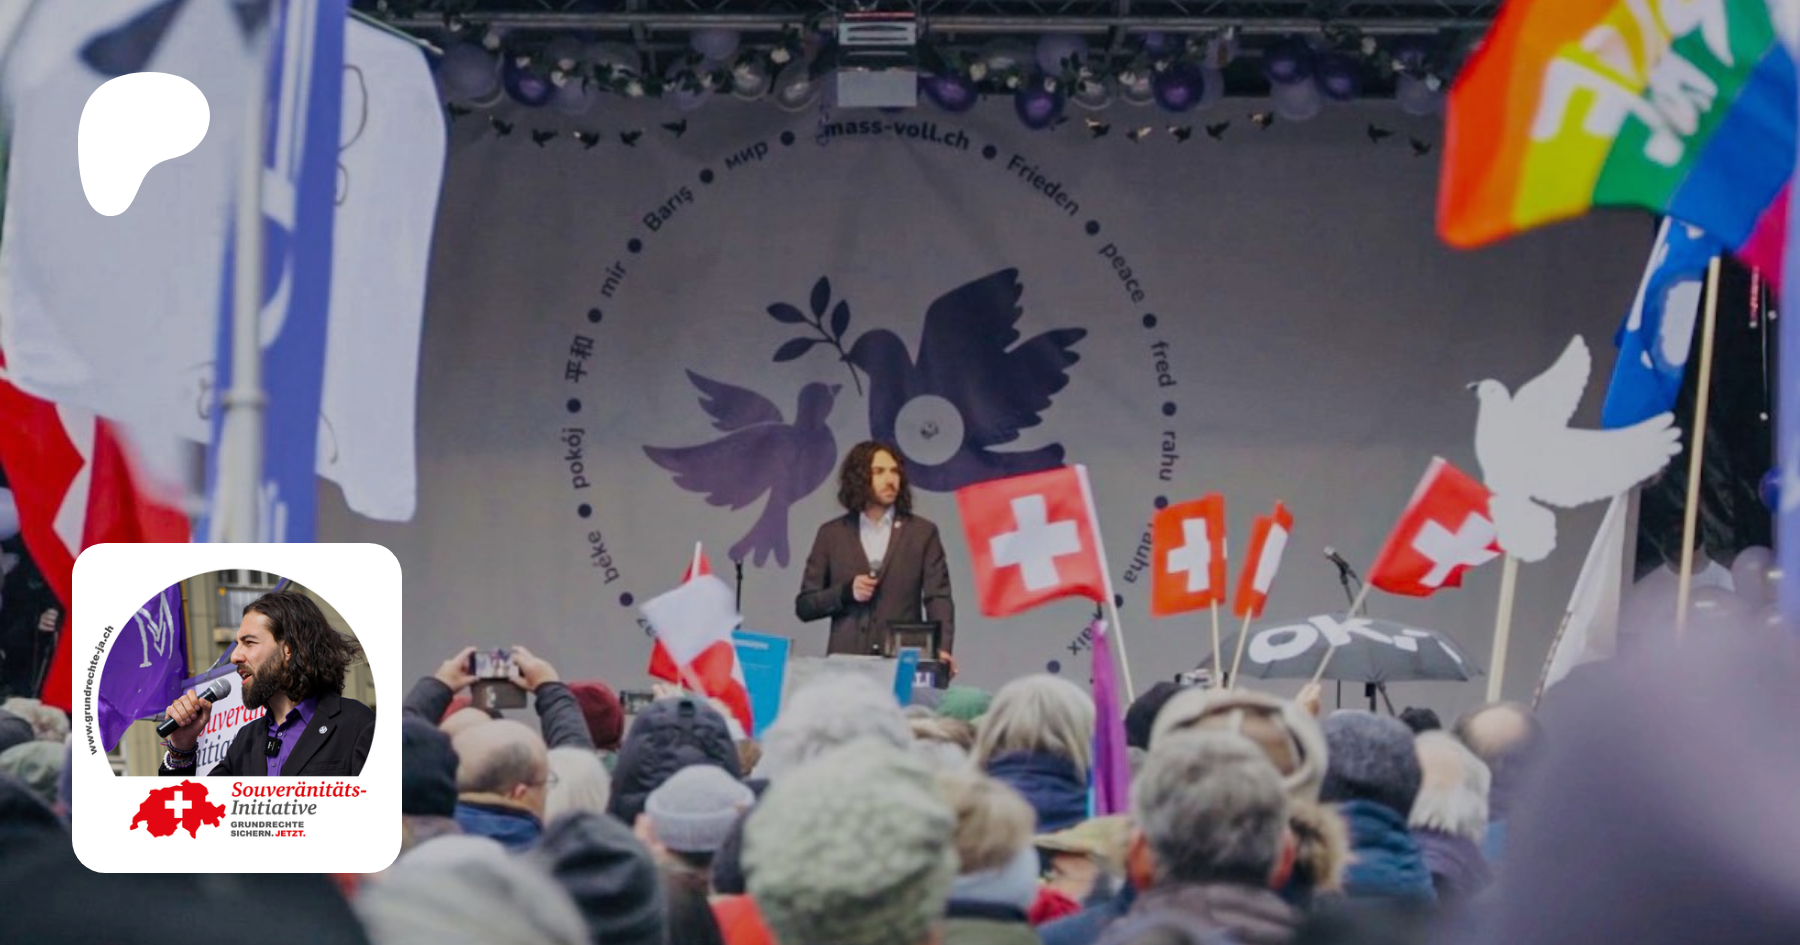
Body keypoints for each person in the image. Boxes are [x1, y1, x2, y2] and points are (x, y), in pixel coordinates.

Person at [159, 590, 374, 776]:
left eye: (249, 642)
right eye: (237, 644)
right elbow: (194, 808)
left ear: (288, 649)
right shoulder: (246, 741)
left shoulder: (358, 725)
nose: (234, 657)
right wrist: (181, 748)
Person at [796, 441, 955, 667]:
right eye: (879, 471)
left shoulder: (922, 532)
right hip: (846, 665)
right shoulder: (831, 534)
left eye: (894, 471)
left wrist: (942, 649)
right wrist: (846, 592)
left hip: (902, 660)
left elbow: (938, 597)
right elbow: (805, 606)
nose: (890, 480)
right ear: (858, 478)